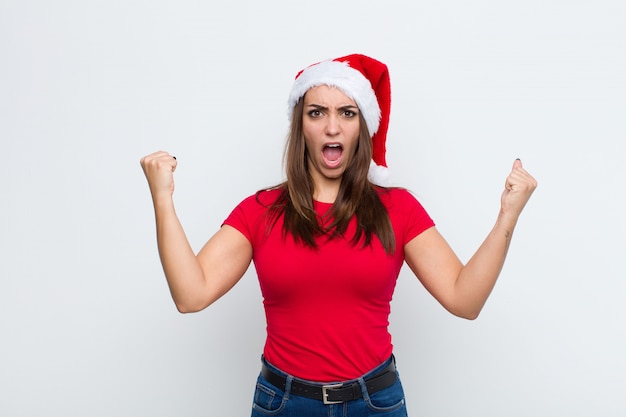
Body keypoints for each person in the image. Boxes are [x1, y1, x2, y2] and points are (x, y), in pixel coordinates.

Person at [140, 54, 537, 417]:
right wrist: (163, 198)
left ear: (362, 126)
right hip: (284, 404)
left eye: (347, 113)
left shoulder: (397, 210)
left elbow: (464, 300)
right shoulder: (261, 211)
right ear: (302, 126)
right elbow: (190, 295)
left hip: (375, 403)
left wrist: (507, 214)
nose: (332, 126)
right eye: (317, 113)